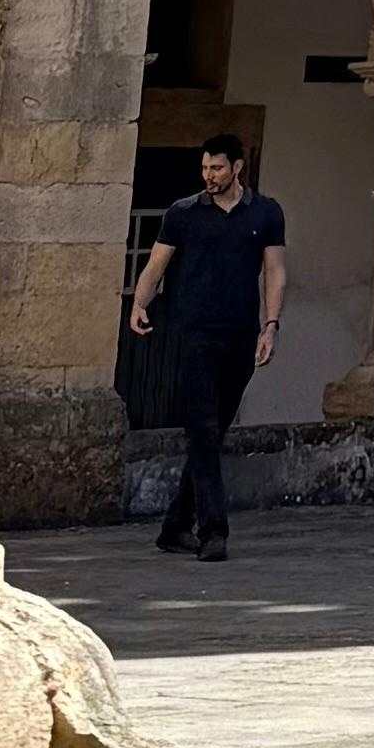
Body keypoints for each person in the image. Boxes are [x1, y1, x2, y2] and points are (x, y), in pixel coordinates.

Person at [128, 139, 285, 559]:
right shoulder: (183, 213)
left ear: (237, 167)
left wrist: (270, 326)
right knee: (202, 428)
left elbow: (274, 271)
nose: (209, 175)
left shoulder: (266, 213)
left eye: (217, 168)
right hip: (193, 334)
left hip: (240, 334)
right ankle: (214, 531)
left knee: (212, 434)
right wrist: (139, 303)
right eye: (205, 168)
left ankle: (175, 526)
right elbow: (156, 264)